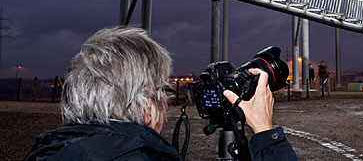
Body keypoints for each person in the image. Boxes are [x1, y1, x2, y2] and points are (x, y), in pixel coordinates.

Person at [25, 26, 297, 160]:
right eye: (161, 91)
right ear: (145, 105)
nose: (164, 103)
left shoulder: (48, 153)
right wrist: (265, 134)